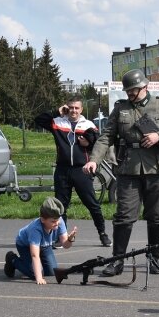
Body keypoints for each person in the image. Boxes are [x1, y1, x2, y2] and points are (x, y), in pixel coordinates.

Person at [83, 69, 159, 276]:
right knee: (123, 216)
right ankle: (117, 261)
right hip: (128, 168)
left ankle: (154, 259)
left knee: (156, 217)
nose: (130, 94)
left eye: (134, 91)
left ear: (145, 87)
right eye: (127, 91)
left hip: (158, 168)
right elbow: (106, 137)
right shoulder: (121, 109)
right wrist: (94, 160)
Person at [35, 96, 112, 247]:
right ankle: (60, 237)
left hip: (81, 170)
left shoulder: (88, 125)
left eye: (76, 108)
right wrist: (56, 112)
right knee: (60, 206)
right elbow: (39, 120)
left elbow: (98, 144)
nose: (73, 111)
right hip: (62, 170)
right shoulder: (58, 122)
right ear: (66, 108)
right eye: (70, 107)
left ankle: (103, 234)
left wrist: (88, 144)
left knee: (92, 204)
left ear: (81, 109)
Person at [4, 197, 78, 285]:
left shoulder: (59, 221)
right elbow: (35, 255)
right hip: (25, 245)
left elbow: (65, 245)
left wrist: (70, 238)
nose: (57, 223)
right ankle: (12, 259)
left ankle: (36, 265)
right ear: (43, 219)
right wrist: (38, 277)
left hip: (44, 245)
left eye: (58, 220)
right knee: (34, 273)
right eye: (53, 221)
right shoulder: (35, 229)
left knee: (51, 272)